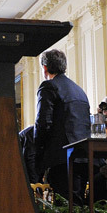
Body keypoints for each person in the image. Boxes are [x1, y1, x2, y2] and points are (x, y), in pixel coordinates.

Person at [34, 49, 90, 203]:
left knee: (63, 209)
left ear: (44, 68)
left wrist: (37, 155)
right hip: (84, 157)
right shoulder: (80, 91)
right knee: (78, 206)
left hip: (61, 158)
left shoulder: (48, 86)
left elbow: (43, 123)